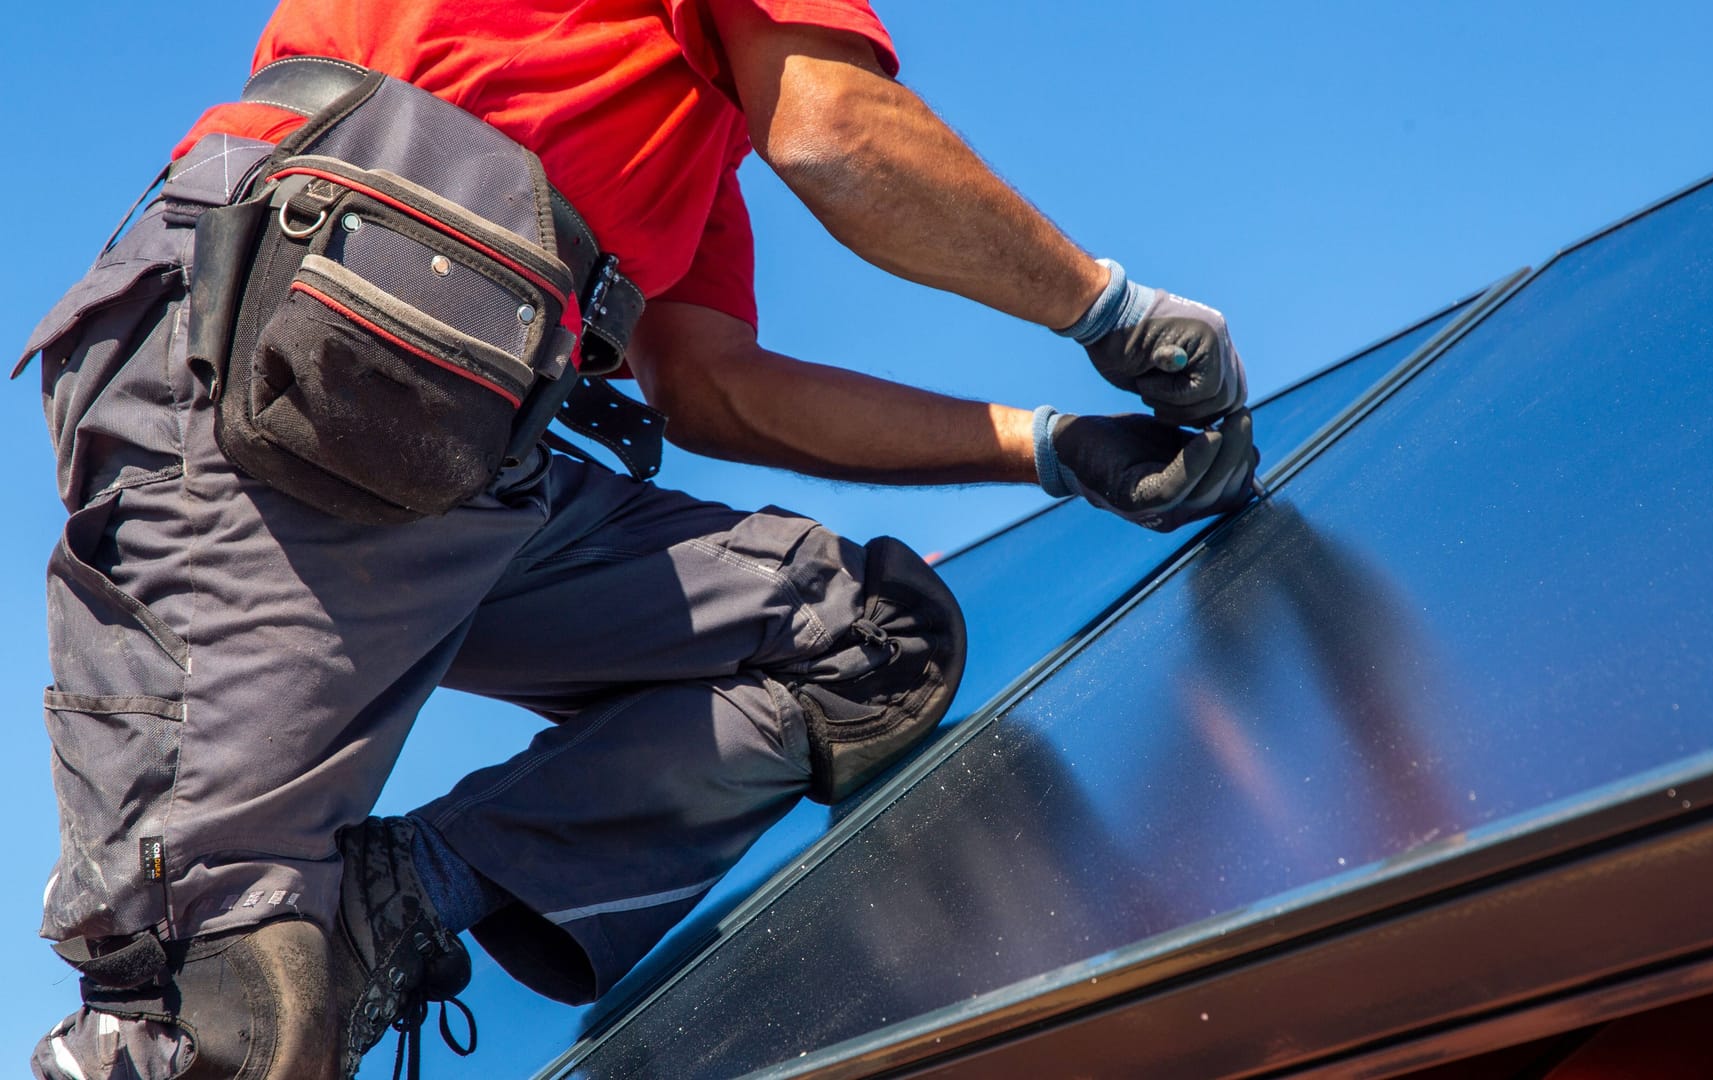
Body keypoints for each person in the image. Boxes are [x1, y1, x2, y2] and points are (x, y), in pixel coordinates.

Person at [20, 2, 1258, 1077]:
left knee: (859, 643)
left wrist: (1046, 444)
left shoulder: (665, 129)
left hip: (449, 425)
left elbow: (713, 387)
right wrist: (1114, 310)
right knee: (221, 1019)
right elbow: (837, 128)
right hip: (278, 353)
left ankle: (404, 907)